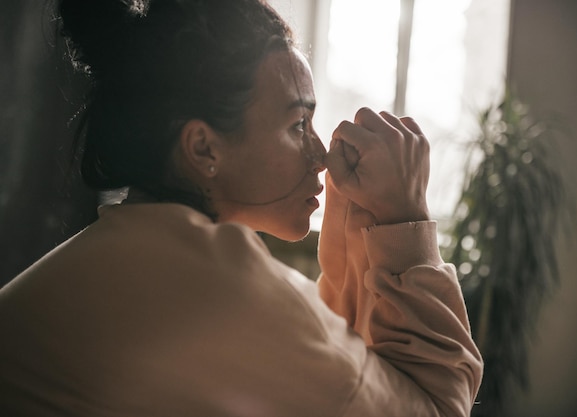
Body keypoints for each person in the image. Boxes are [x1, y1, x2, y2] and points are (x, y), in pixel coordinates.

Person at [0, 0, 483, 416]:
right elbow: (436, 408)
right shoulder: (212, 286)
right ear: (204, 149)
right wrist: (402, 216)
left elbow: (338, 380)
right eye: (298, 124)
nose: (320, 154)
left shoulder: (125, 250)